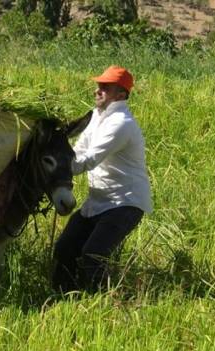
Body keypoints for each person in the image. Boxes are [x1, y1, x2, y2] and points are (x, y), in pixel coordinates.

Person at [51, 66, 153, 293]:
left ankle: (98, 303)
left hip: (124, 202)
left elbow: (88, 160)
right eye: (99, 85)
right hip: (98, 200)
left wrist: (54, 165)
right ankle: (61, 298)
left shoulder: (120, 123)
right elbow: (79, 151)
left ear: (121, 94)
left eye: (106, 87)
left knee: (92, 255)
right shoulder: (97, 115)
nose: (98, 90)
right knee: (64, 249)